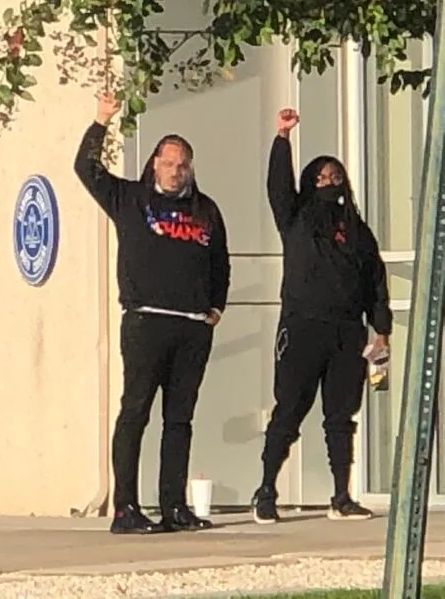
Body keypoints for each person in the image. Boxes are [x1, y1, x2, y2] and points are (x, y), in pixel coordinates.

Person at [75, 92, 231, 535]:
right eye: (169, 163)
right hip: (146, 321)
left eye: (183, 165)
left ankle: (174, 506)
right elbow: (86, 169)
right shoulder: (129, 199)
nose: (176, 171)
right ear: (155, 164)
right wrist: (101, 120)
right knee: (136, 411)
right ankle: (125, 508)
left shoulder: (206, 210)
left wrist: (215, 306)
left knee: (179, 418)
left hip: (192, 327)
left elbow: (221, 261)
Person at [251, 107, 391, 524]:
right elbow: (277, 186)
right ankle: (266, 489)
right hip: (302, 327)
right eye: (320, 178)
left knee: (340, 415)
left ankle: (341, 495)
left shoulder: (357, 230)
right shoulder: (295, 218)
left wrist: (380, 331)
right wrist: (282, 138)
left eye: (334, 177)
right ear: (309, 184)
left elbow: (375, 283)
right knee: (289, 408)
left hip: (347, 333)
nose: (328, 183)